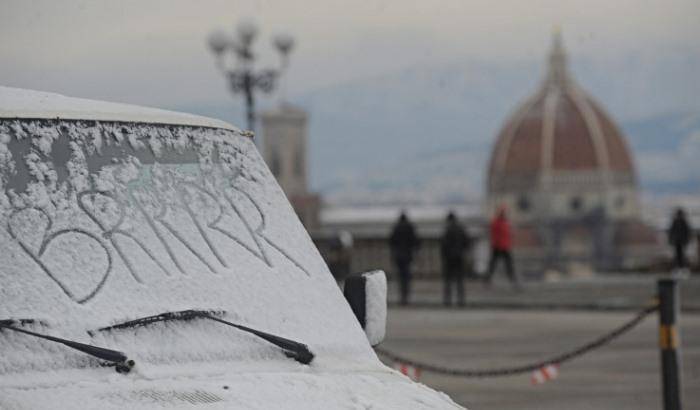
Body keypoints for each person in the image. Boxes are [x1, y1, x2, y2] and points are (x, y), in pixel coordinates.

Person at [440, 212, 472, 306]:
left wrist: (444, 256)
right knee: (460, 280)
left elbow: (444, 245)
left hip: (449, 258)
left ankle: (447, 301)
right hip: (459, 257)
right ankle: (461, 301)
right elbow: (467, 242)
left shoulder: (447, 230)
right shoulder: (461, 229)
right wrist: (462, 251)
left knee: (448, 280)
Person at [484, 208, 519, 288]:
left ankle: (512, 280)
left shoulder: (502, 223)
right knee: (496, 264)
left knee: (502, 264)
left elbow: (506, 234)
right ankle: (488, 280)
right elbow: (496, 234)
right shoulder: (498, 223)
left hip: (503, 246)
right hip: (499, 246)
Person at [390, 211, 419, 305]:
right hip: (408, 255)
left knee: (401, 277)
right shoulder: (410, 227)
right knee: (407, 277)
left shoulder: (396, 228)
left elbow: (391, 241)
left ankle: (402, 297)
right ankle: (406, 297)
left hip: (399, 256)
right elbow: (416, 241)